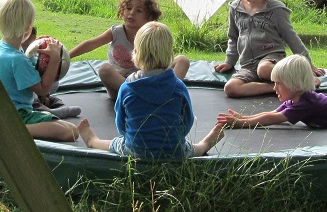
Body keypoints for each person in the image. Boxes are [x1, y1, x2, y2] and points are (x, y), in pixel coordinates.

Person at [77, 22, 225, 158]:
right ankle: (205, 144)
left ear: (135, 52)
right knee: (191, 149)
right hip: (173, 152)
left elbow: (121, 124)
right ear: (170, 54)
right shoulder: (178, 86)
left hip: (136, 150)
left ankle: (93, 141)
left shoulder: (127, 87)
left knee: (115, 143)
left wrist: (131, 137)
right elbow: (188, 121)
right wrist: (175, 138)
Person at [214, 0, 323, 97]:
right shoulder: (235, 8)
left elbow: (291, 38)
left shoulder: (276, 10)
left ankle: (300, 80)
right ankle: (277, 87)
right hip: (248, 65)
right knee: (230, 88)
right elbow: (233, 37)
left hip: (272, 60)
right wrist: (229, 61)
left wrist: (308, 65)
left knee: (264, 69)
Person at [0, 0, 80, 142]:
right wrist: (54, 59)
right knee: (72, 133)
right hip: (18, 114)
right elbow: (44, 90)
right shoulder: (17, 59)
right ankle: (13, 130)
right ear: (28, 25)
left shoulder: (1, 47)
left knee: (66, 125)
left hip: (4, 110)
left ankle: (15, 125)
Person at [69, 0, 190, 100]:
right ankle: (141, 97)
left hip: (147, 80)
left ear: (149, 18)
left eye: (139, 11)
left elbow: (162, 57)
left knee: (182, 60)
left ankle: (171, 93)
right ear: (122, 10)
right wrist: (67, 56)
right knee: (104, 69)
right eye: (128, 8)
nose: (131, 13)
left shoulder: (151, 34)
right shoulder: (116, 32)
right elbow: (91, 44)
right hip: (122, 86)